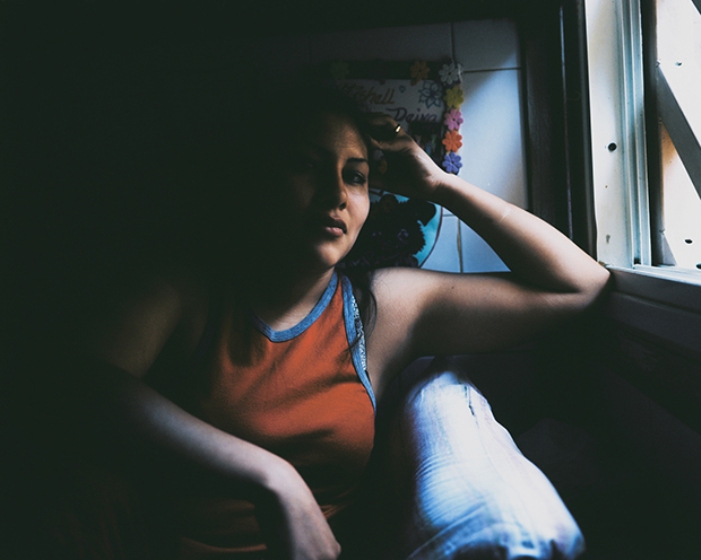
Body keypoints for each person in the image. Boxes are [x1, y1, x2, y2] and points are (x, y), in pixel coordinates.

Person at [21, 83, 610, 559]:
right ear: (253, 178)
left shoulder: (381, 310)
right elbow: (74, 382)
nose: (336, 194)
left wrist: (439, 186)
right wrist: (270, 478)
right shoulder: (185, 289)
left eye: (356, 175)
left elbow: (578, 284)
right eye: (307, 165)